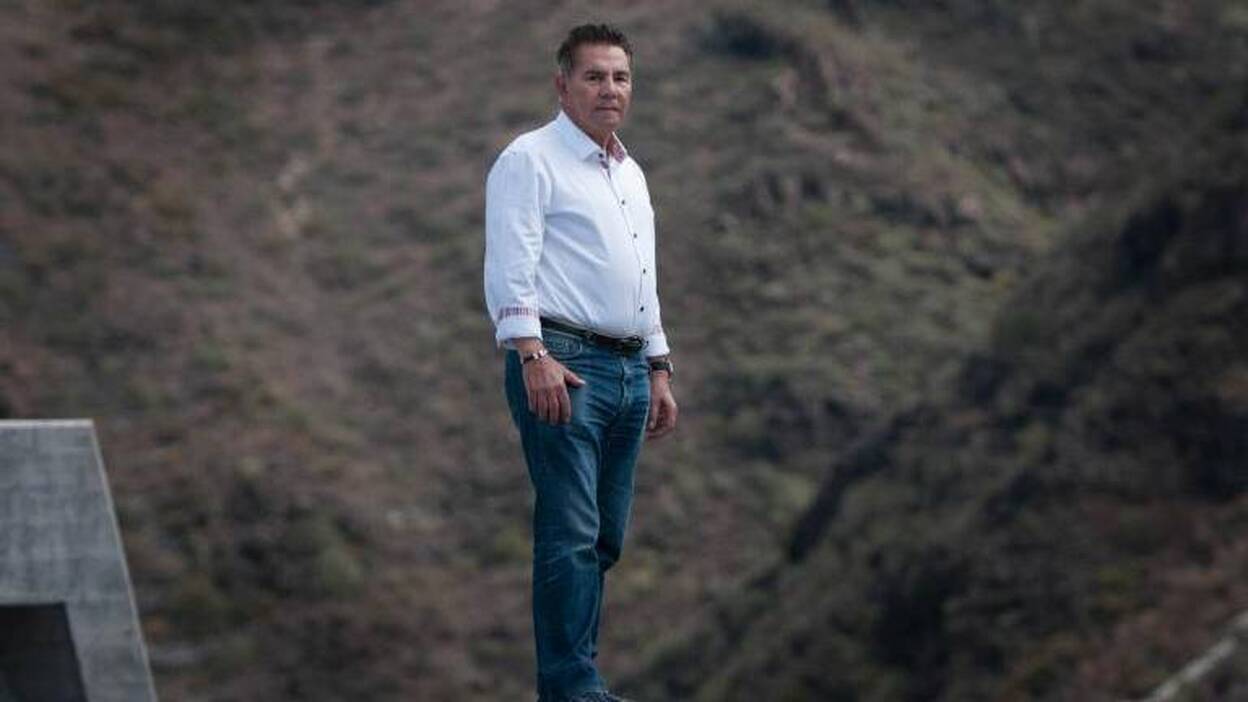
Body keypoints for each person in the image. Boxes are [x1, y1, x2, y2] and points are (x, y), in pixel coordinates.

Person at [483, 22, 678, 702]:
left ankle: (580, 679)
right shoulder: (530, 159)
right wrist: (530, 352)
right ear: (562, 85)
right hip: (563, 360)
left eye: (620, 77)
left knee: (603, 540)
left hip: (628, 368)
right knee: (570, 533)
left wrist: (658, 365)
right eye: (594, 76)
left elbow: (642, 275)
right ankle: (570, 688)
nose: (609, 89)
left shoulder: (630, 172)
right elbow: (510, 261)